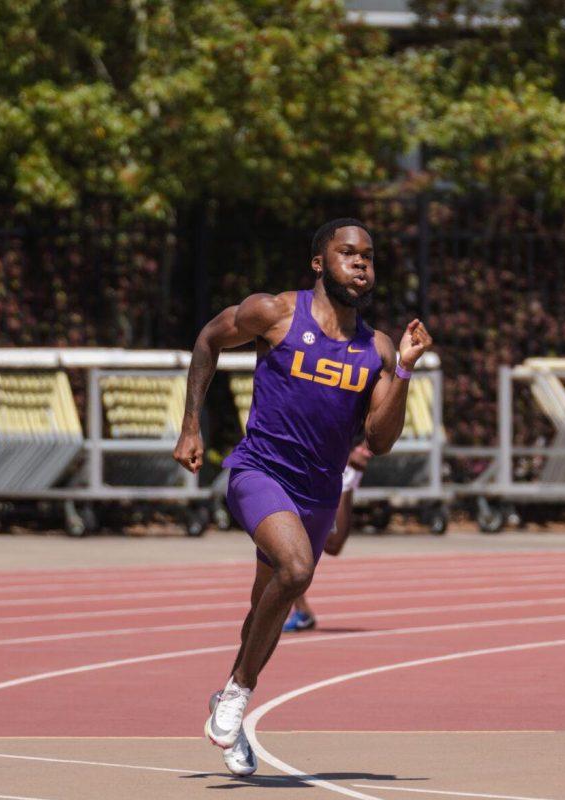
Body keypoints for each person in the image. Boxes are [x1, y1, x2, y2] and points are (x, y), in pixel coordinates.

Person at [174, 218, 432, 777]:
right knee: (296, 569)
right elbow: (208, 340)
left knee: (263, 607)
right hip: (258, 472)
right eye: (348, 253)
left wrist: (406, 370)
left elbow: (381, 441)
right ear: (320, 263)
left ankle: (226, 703)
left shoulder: (378, 348)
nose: (361, 264)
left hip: (318, 493)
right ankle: (242, 689)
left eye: (369, 256)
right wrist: (191, 424)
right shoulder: (275, 314)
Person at [283, 441, 373, 632]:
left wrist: (362, 446)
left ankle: (347, 476)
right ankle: (300, 611)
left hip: (323, 455)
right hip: (298, 459)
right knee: (285, 545)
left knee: (331, 543)